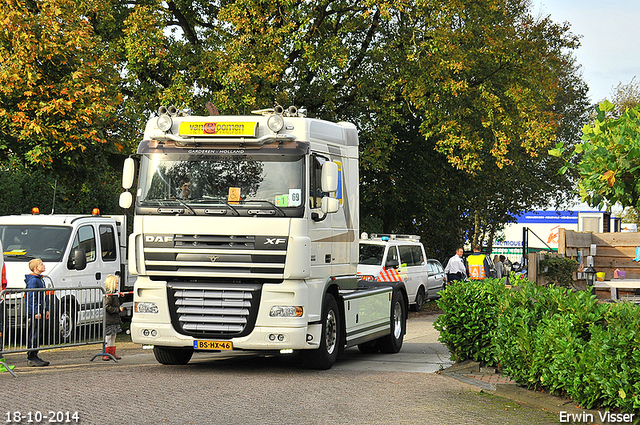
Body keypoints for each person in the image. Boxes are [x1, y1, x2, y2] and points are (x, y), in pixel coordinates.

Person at [25, 258, 49, 366]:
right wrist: (36, 311)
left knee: (38, 333)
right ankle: (31, 356)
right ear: (36, 268)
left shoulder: (40, 279)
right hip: (36, 312)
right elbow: (32, 297)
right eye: (41, 264)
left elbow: (43, 296)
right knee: (33, 333)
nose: (43, 266)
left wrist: (46, 308)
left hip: (40, 310)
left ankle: (35, 354)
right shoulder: (33, 280)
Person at [103, 274, 123, 361]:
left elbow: (117, 303)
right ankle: (106, 353)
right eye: (116, 283)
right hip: (109, 319)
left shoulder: (114, 294)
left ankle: (112, 352)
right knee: (108, 336)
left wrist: (122, 298)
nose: (118, 285)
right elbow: (107, 307)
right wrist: (117, 310)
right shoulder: (109, 295)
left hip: (114, 319)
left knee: (113, 335)